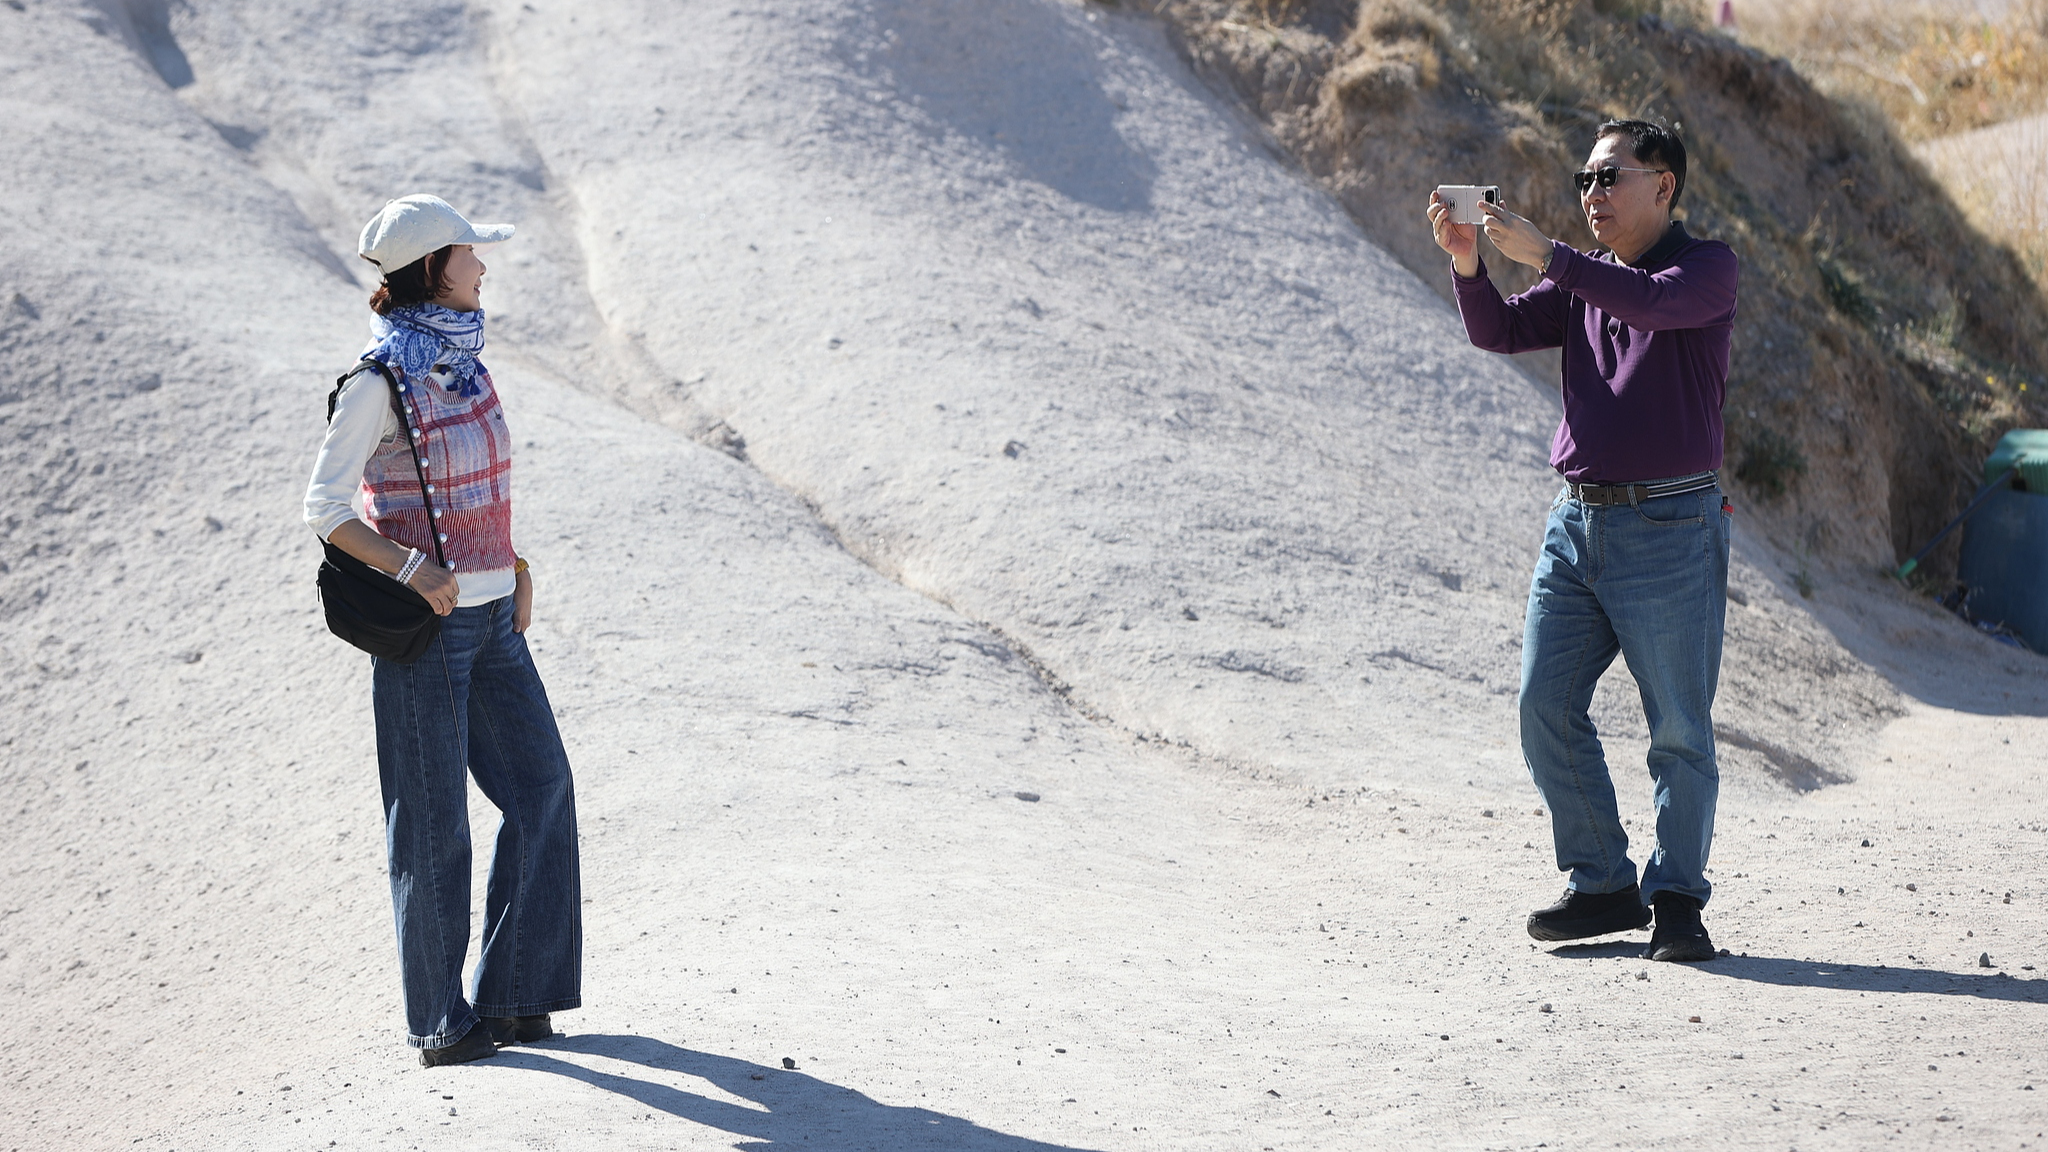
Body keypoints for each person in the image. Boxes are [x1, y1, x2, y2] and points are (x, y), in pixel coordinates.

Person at [1426, 121, 1738, 963]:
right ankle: (1602, 883)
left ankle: (1675, 900)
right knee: (1544, 706)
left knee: (1677, 728)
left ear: (1664, 186)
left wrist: (1553, 255)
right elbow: (1495, 332)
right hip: (1577, 523)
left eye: (1609, 179)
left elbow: (1652, 304)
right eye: (1584, 181)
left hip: (1671, 525)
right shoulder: (1584, 283)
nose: (1592, 194)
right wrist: (1469, 263)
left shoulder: (1706, 269)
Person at [304, 194, 583, 1063]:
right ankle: (440, 1020)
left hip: (496, 618)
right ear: (433, 268)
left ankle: (516, 994)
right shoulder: (377, 382)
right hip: (428, 631)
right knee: (432, 824)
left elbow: (480, 488)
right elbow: (323, 507)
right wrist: (414, 569)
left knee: (543, 791)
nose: (483, 267)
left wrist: (515, 568)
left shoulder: (466, 362)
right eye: (470, 253)